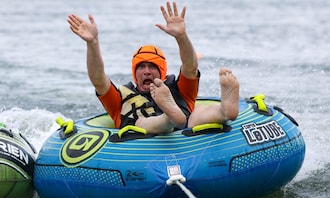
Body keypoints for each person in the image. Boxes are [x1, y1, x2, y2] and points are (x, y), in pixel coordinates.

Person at [68, 1, 239, 134]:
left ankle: (225, 110)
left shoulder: (177, 89)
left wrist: (181, 37)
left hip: (185, 126)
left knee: (196, 115)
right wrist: (92, 43)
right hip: (146, 129)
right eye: (141, 67)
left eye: (152, 66)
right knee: (142, 123)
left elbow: (190, 66)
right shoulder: (120, 100)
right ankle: (168, 118)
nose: (147, 71)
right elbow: (98, 78)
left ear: (162, 72)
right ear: (135, 73)